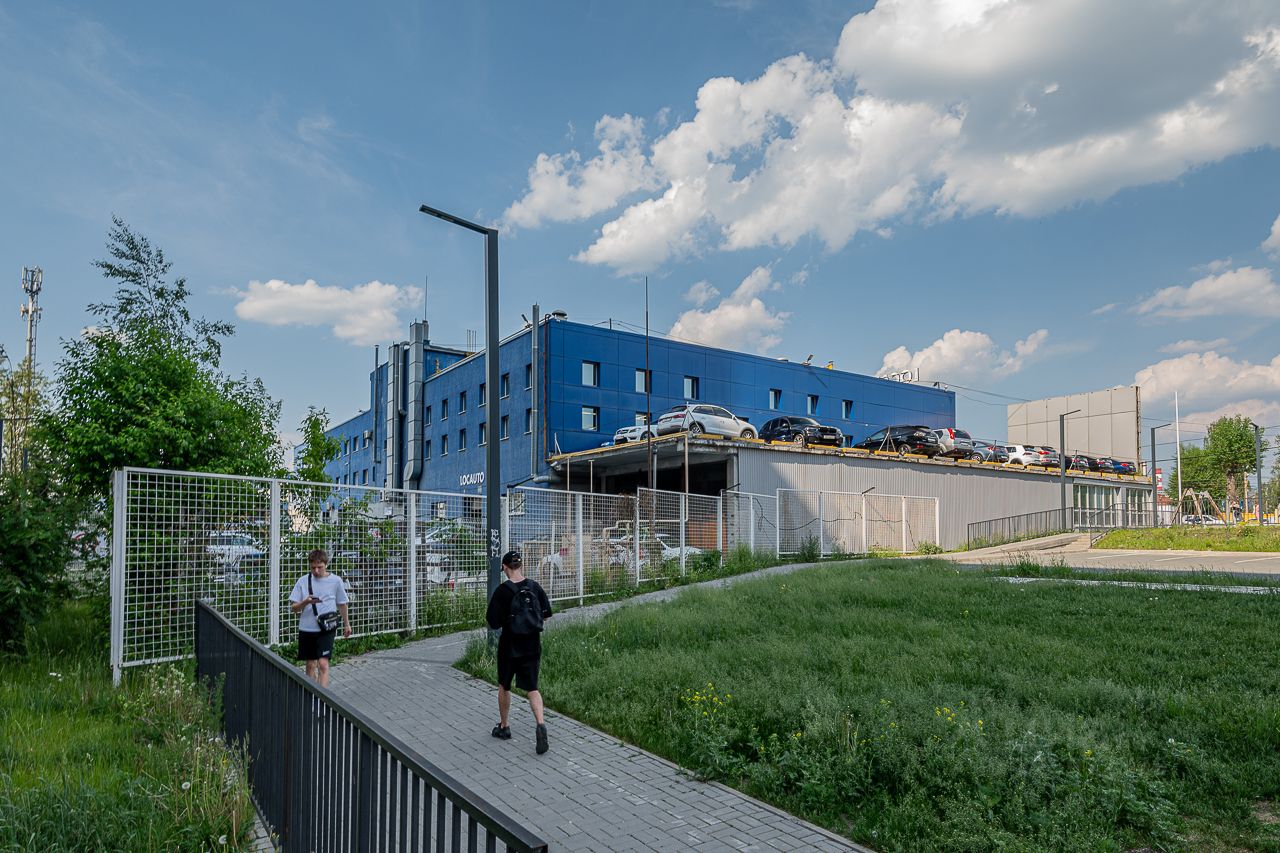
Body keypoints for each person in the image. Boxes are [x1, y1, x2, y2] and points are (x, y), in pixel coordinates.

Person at [486, 550, 553, 754]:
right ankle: (540, 724)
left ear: (505, 568)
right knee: (532, 688)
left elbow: (493, 622)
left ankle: (504, 726)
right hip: (532, 644)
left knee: (504, 685)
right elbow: (546, 615)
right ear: (521, 566)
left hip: (509, 645)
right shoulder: (534, 586)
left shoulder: (502, 591)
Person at [288, 548, 351, 688]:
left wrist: (347, 624)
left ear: (326, 564)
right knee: (310, 665)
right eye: (313, 568)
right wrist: (306, 602)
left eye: (320, 567)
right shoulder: (303, 581)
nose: (316, 571)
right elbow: (294, 608)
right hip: (307, 628)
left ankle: (322, 697)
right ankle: (312, 693)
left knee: (323, 663)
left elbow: (342, 604)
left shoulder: (336, 581)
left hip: (326, 628)